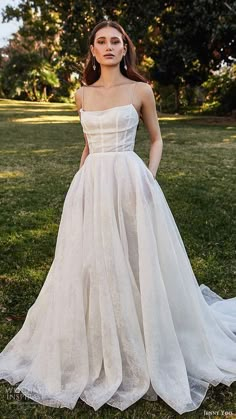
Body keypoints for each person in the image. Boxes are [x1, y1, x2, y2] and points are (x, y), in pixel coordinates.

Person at [0, 20, 235, 416]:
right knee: (91, 262)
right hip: (91, 186)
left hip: (131, 180)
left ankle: (147, 336)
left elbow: (156, 139)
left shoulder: (141, 90)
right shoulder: (82, 95)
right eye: (101, 42)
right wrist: (80, 188)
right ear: (92, 51)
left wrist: (149, 179)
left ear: (125, 49)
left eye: (116, 41)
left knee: (137, 256)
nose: (109, 47)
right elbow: (89, 147)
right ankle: (98, 338)